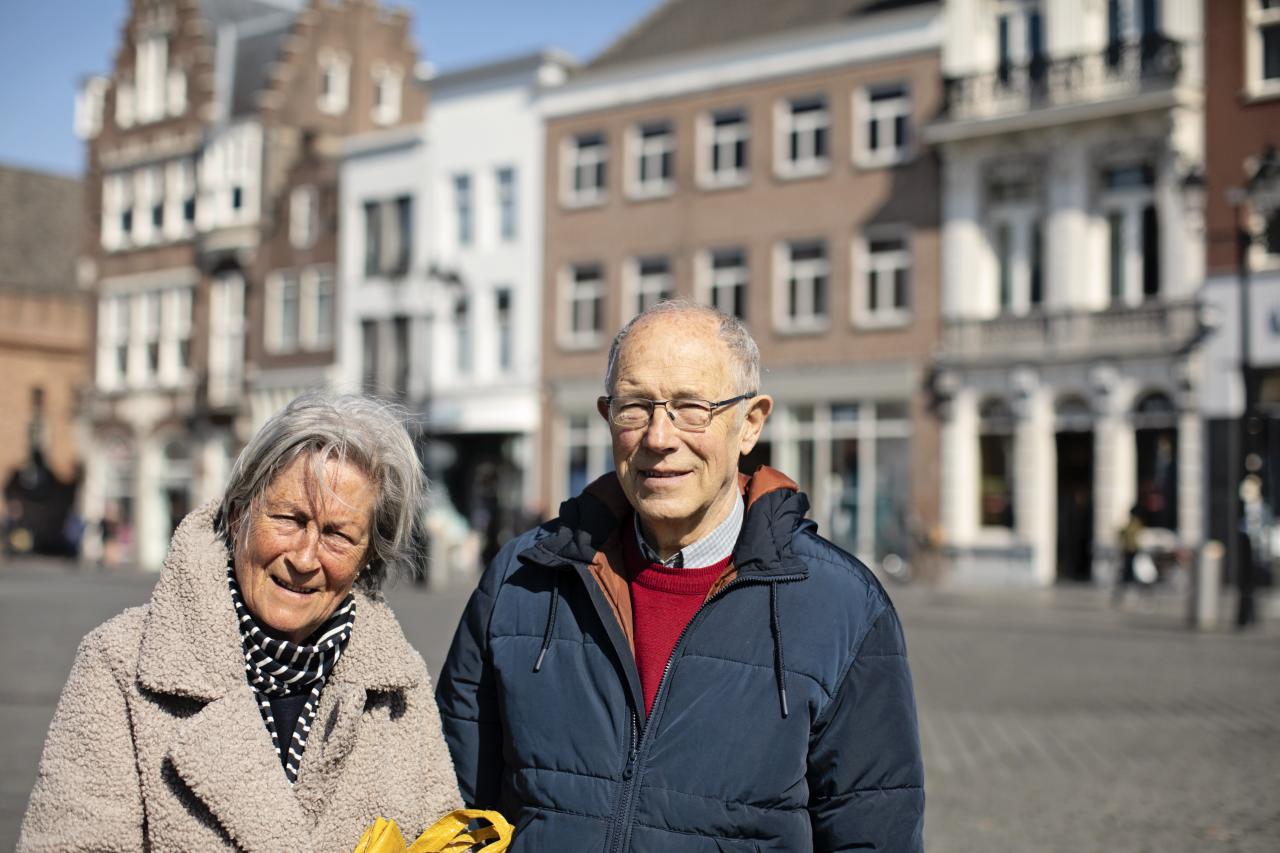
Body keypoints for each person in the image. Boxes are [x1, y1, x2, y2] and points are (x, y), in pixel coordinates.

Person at [436, 301, 924, 851]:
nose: (659, 437)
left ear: (751, 423)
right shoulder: (522, 579)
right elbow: (453, 810)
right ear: (607, 417)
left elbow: (873, 835)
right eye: (635, 407)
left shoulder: (844, 608)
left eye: (692, 407)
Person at [20, 393, 460, 852]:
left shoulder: (398, 684)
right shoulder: (121, 664)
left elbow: (441, 832)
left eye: (337, 535)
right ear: (238, 515)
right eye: (289, 520)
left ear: (368, 555)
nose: (305, 558)